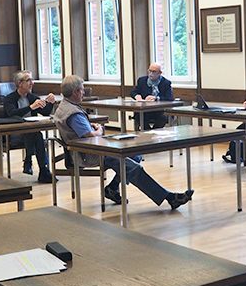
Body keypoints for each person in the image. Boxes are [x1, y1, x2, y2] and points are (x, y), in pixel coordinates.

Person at [55, 75, 193, 210]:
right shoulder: (74, 113)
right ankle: (169, 198)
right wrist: (99, 130)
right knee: (134, 168)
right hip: (91, 153)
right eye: (82, 90)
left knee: (135, 155)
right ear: (75, 92)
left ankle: (112, 188)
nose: (84, 92)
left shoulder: (64, 106)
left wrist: (92, 128)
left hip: (89, 149)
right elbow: (89, 135)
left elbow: (83, 131)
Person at [2, 70, 55, 183]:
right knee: (36, 135)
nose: (32, 83)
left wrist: (51, 103)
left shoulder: (32, 97)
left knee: (35, 134)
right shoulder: (9, 99)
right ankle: (43, 170)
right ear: (20, 83)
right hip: (14, 134)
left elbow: (45, 112)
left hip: (30, 133)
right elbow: (12, 113)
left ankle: (30, 161)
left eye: (32, 80)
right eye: (28, 80)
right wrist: (31, 107)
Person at [130, 63, 173, 129]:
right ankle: (148, 132)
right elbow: (133, 92)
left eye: (154, 71)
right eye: (149, 71)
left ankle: (154, 132)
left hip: (160, 110)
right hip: (145, 110)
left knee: (163, 117)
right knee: (138, 116)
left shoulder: (166, 83)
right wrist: (137, 96)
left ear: (159, 73)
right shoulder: (142, 80)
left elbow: (169, 98)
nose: (151, 73)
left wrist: (156, 98)